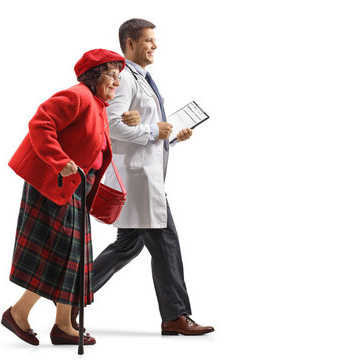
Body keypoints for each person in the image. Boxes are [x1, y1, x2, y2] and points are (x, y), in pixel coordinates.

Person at [1, 49, 138, 346]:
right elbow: (41, 123)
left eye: (119, 76)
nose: (116, 81)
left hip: (75, 186)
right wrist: (59, 160)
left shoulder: (99, 105)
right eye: (111, 75)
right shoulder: (77, 96)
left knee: (73, 256)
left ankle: (62, 324)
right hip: (56, 181)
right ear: (93, 76)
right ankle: (19, 313)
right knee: (60, 251)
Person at [92, 19, 214, 335]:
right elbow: (110, 125)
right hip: (138, 181)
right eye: (148, 40)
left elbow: (142, 130)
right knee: (166, 242)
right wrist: (152, 130)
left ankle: (70, 293)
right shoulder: (124, 79)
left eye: (154, 40)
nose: (155, 45)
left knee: (127, 246)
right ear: (130, 44)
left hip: (144, 177)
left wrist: (170, 137)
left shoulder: (142, 78)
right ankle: (175, 315)